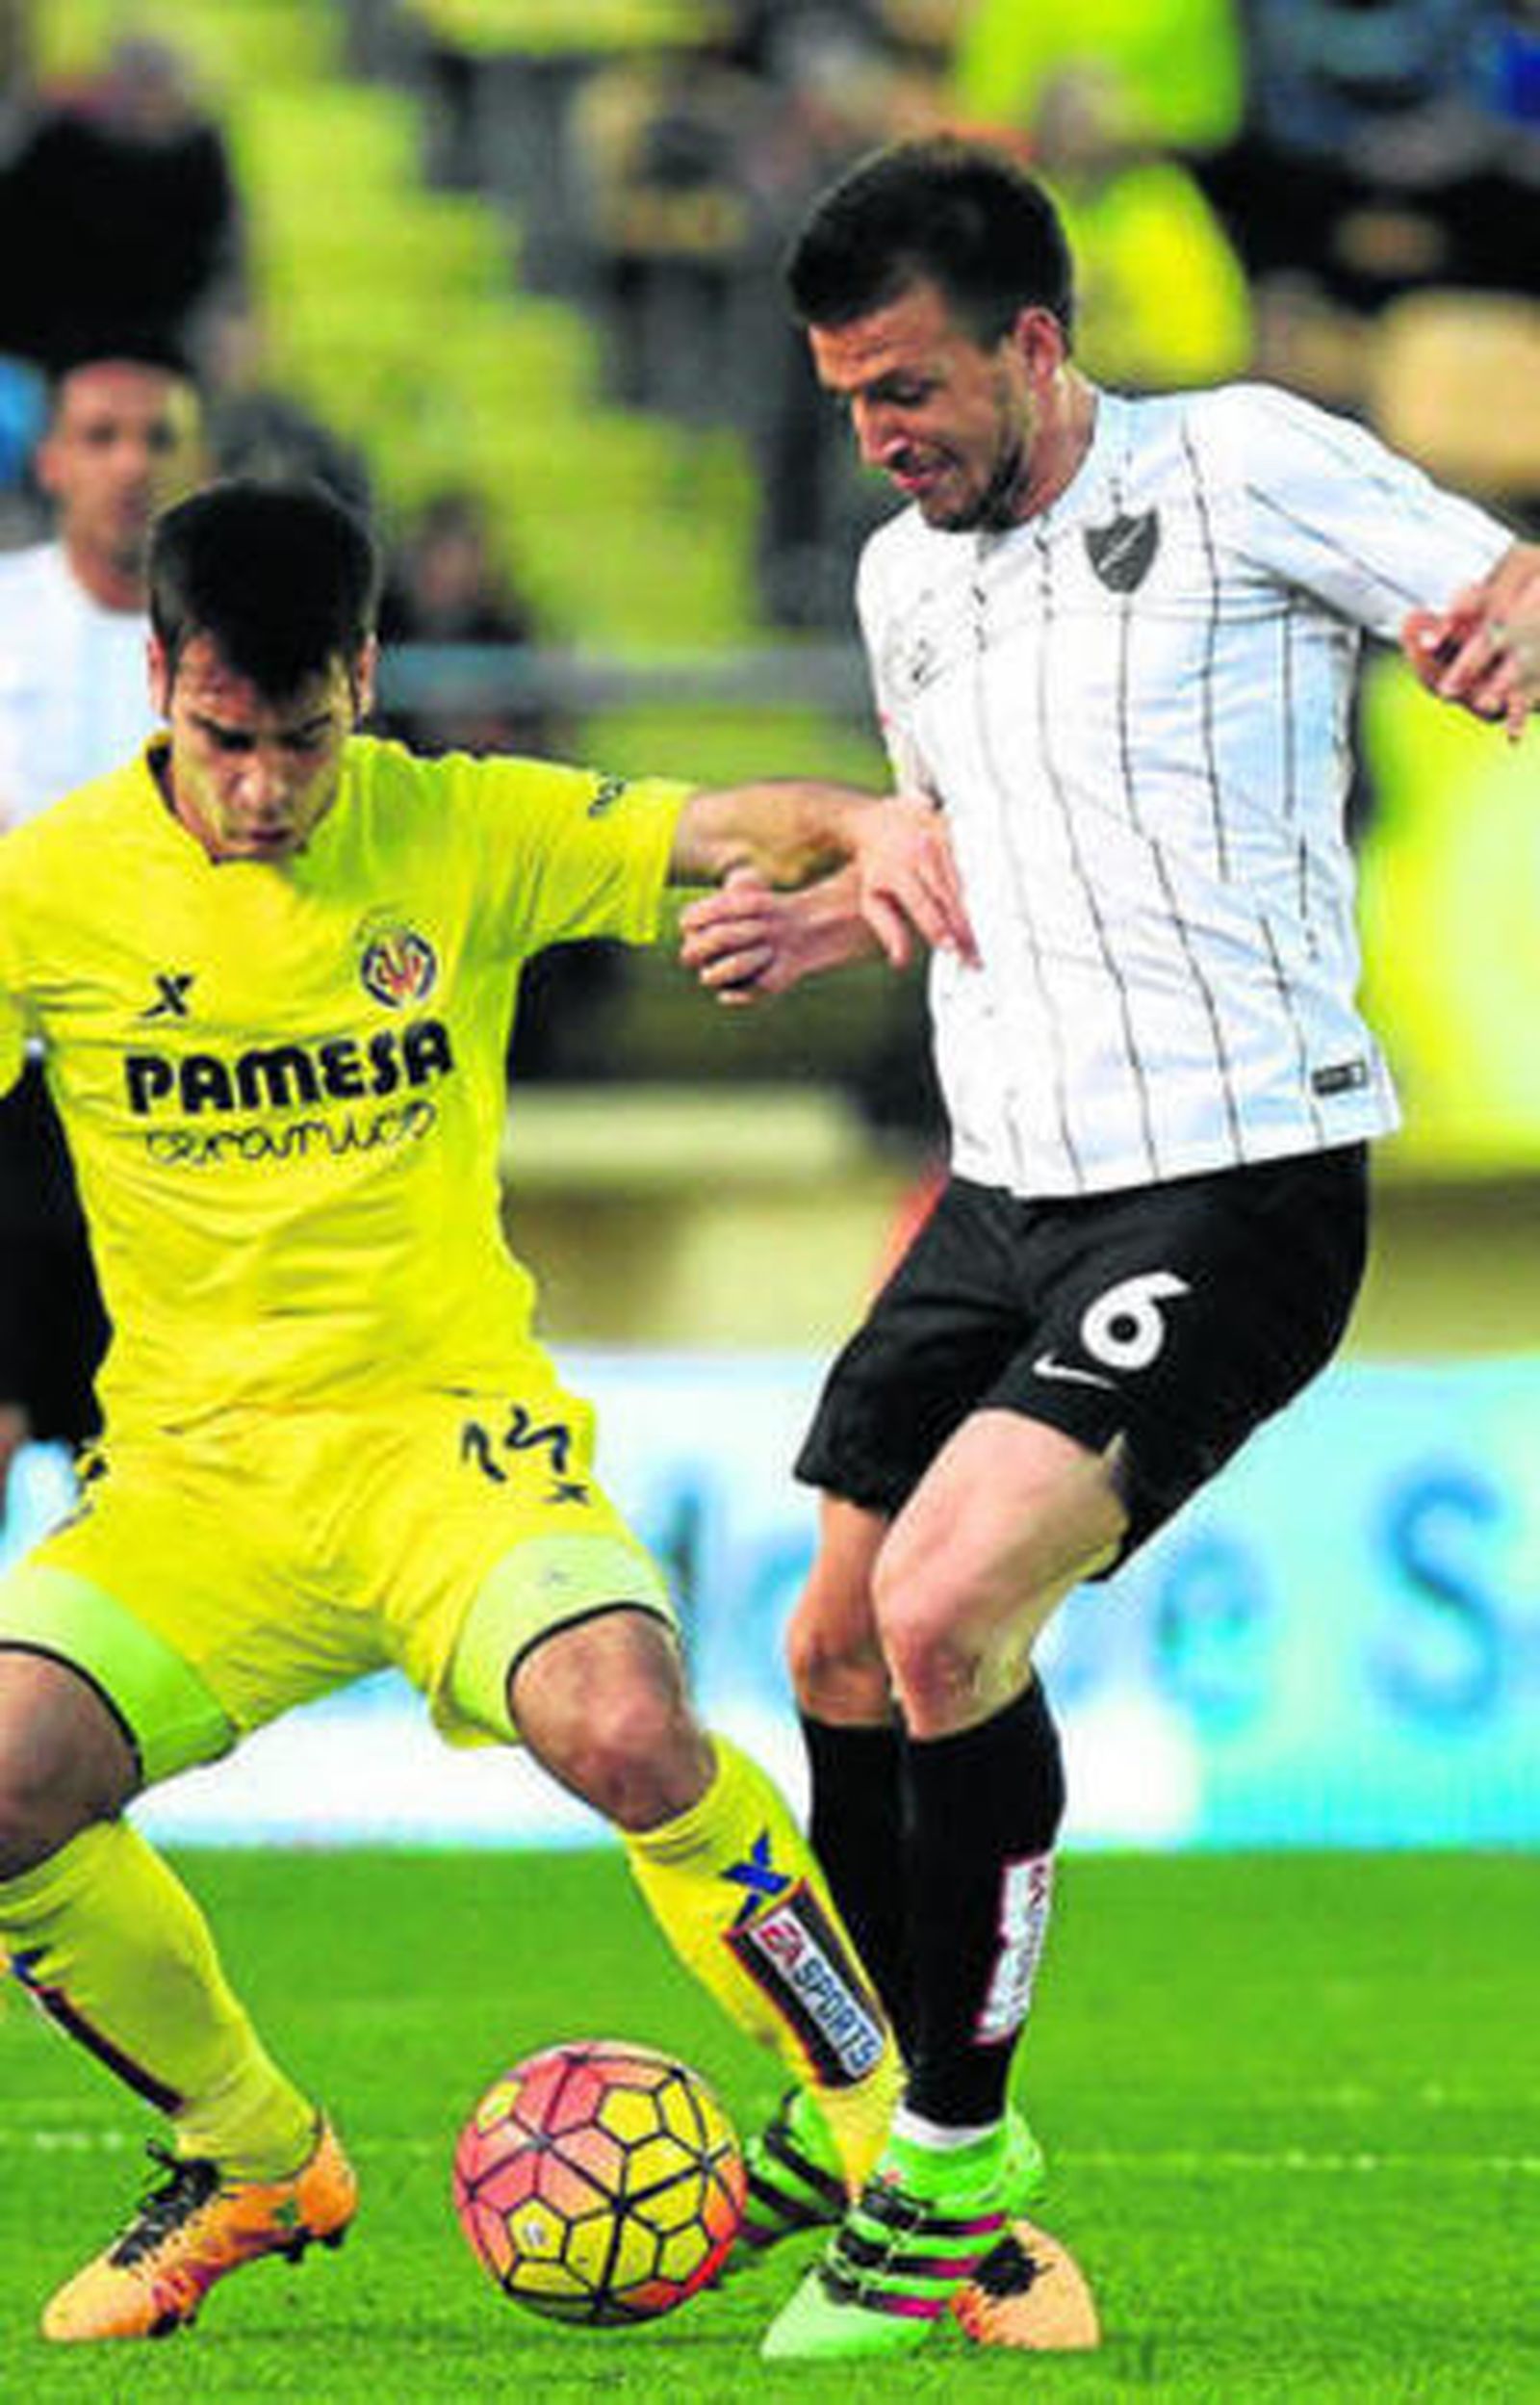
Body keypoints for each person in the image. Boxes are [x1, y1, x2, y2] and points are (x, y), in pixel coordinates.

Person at [680, 134, 1540, 2362]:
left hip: (1234, 1171)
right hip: (1002, 1181)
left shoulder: (1242, 464)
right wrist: (844, 886)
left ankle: (954, 2169)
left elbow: (1491, 586)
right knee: (833, 1646)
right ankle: (889, 2117)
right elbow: (956, 826)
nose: (875, 436)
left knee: (952, 1602)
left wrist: (1524, 598)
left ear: (1032, 341)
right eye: (844, 397)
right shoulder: (903, 581)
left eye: (903, 389)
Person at [0, 476, 976, 2347]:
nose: (269, 785)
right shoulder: (44, 887)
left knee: (625, 1728)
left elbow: (721, 824)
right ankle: (250, 2150)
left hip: (448, 1446)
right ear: (157, 682)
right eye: (226, 740)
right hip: (194, 1490)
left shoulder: (457, 828)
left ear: (367, 678)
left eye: (305, 737)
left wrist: (859, 819)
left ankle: (894, 2144)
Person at [0, 347, 207, 1517]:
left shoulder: (233, 638)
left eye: (158, 436)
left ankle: (103, 1692)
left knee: (140, 1445)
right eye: (102, 436)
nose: (132, 464)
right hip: (15, 1079)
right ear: (52, 460)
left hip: (177, 1085)